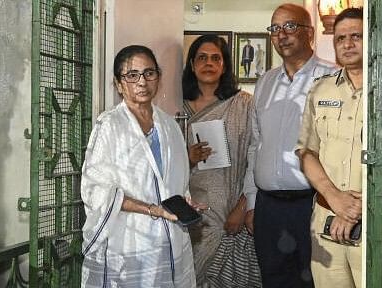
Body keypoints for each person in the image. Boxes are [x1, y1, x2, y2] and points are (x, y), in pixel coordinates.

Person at [80, 45, 196, 287]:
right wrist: (152, 209)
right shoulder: (109, 126)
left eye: (149, 73)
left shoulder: (170, 126)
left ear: (158, 78)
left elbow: (178, 181)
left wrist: (185, 203)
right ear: (119, 84)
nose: (142, 81)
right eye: (132, 75)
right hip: (129, 244)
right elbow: (96, 191)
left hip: (169, 242)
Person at [243, 3, 336, 288]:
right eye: (274, 29)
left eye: (289, 26)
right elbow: (255, 144)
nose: (281, 34)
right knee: (273, 281)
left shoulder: (332, 78)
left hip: (313, 204)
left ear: (309, 32)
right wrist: (251, 200)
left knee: (315, 281)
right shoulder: (265, 82)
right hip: (269, 207)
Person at [182, 34, 261, 288]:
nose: (209, 63)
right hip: (192, 215)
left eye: (216, 58)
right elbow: (163, 165)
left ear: (224, 65)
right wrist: (188, 157)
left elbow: (257, 155)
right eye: (202, 58)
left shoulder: (244, 104)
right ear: (192, 65)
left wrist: (243, 205)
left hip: (232, 212)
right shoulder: (177, 108)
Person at [296, 7, 364, 288]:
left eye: (356, 36)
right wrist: (335, 199)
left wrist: (354, 209)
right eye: (340, 38)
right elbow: (306, 152)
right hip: (326, 220)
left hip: (371, 221)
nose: (347, 44)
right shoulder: (321, 90)